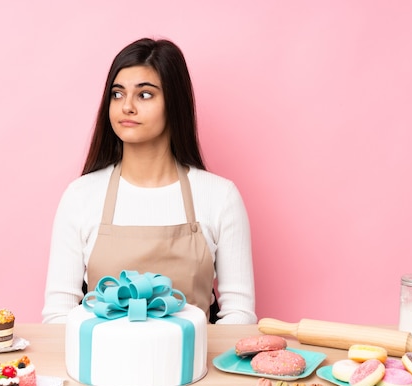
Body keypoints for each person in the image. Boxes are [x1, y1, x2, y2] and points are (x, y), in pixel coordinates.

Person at [42, 38, 256, 324]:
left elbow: (239, 316)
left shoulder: (220, 196)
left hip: (191, 366)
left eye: (144, 95)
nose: (127, 106)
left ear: (175, 104)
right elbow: (58, 315)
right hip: (102, 367)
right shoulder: (80, 196)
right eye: (117, 94)